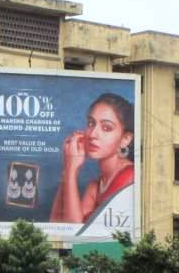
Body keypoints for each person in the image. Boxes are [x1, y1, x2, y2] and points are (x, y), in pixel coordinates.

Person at [49, 93, 135, 224]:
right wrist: (68, 170)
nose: (93, 134)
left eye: (106, 128)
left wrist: (71, 170)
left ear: (125, 139)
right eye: (91, 123)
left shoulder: (130, 177)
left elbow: (75, 232)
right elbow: (56, 223)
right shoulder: (95, 186)